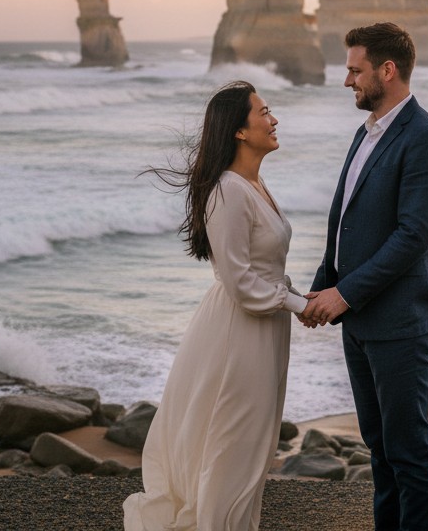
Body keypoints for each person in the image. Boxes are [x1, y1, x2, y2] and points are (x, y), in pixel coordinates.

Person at [123, 81, 312, 531]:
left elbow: (262, 268)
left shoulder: (255, 183)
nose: (274, 118)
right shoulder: (228, 190)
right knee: (233, 444)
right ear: (240, 131)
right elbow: (240, 281)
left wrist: (298, 299)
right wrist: (298, 303)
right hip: (238, 331)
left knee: (254, 446)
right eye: (264, 111)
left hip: (264, 327)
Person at [303, 22, 428, 531]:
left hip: (401, 321)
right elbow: (346, 218)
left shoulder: (427, 139)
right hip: (360, 322)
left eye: (355, 69)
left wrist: (344, 294)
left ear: (387, 70)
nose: (347, 80)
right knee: (378, 447)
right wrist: (323, 283)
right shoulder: (367, 131)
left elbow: (412, 237)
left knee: (409, 452)